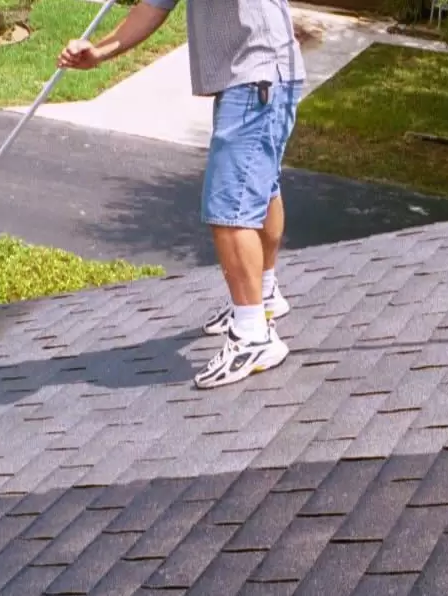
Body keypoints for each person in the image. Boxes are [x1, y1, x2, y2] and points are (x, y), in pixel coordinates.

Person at [58, 0, 305, 390]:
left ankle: (253, 335)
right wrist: (99, 53)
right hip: (261, 76)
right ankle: (265, 293)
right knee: (259, 189)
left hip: (257, 75)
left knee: (230, 208)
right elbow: (153, 7)